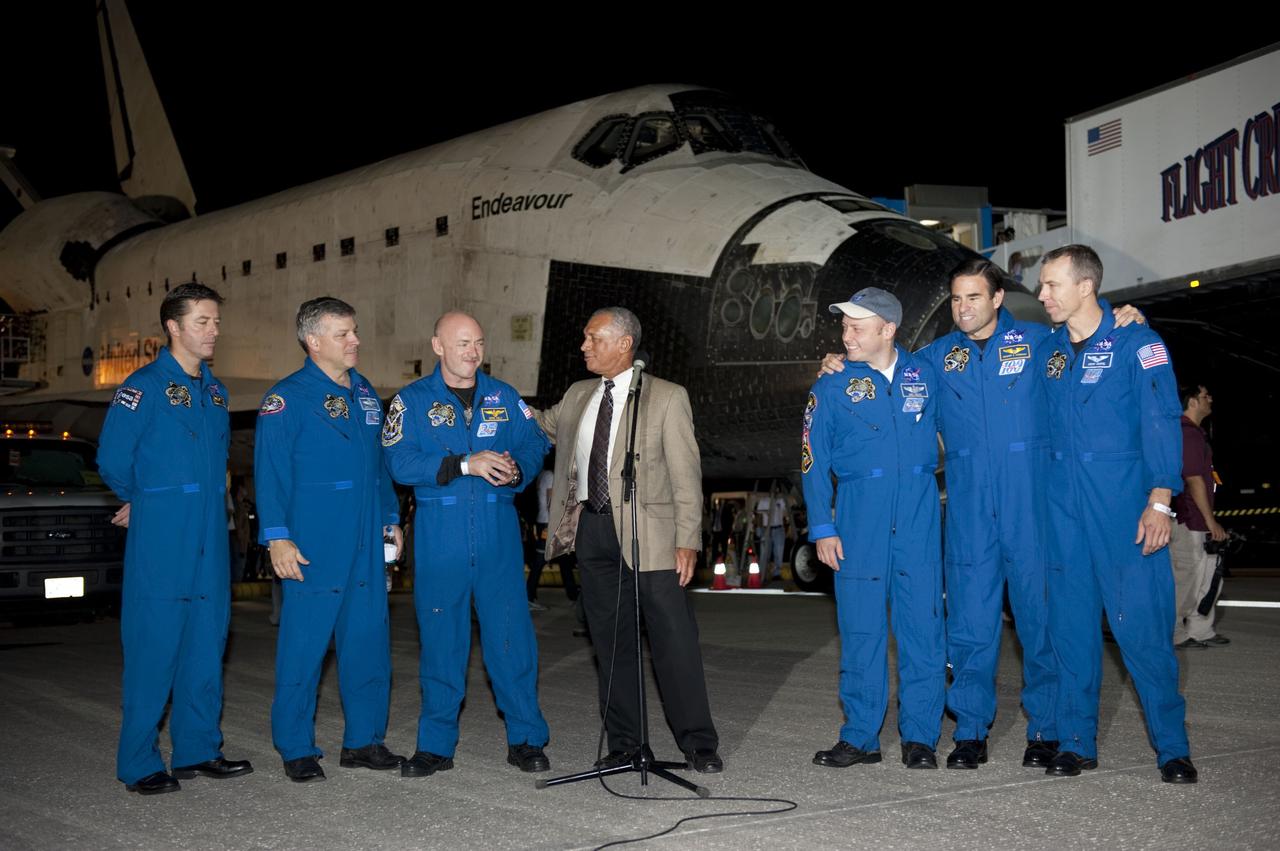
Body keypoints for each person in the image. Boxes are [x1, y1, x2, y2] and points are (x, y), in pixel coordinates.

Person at [817, 264, 1147, 770]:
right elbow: (884, 366)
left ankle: (1047, 728)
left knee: (1040, 620)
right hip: (970, 508)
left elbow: (1090, 344)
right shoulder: (932, 361)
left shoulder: (1041, 343)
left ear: (997, 298)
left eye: (973, 296)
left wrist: (1122, 318)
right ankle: (969, 730)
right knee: (970, 624)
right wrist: (839, 361)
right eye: (955, 298)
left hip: (1029, 503)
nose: (963, 307)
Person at [536, 307, 722, 773]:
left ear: (624, 344)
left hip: (654, 536)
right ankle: (625, 743)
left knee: (672, 641)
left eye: (593, 337)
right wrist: (488, 400)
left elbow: (686, 473)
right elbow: (538, 423)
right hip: (593, 529)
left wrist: (688, 539)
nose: (584, 346)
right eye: (584, 337)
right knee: (611, 643)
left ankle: (697, 742)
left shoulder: (665, 396)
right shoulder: (578, 394)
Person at [1037, 243, 1197, 783]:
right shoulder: (1048, 352)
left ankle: (1172, 748)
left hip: (1124, 510)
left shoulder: (1139, 343)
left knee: (1144, 632)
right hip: (1064, 515)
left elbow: (1161, 421)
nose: (1042, 295)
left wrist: (1160, 501)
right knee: (1071, 632)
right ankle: (1077, 742)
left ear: (1086, 286)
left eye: (1052, 284)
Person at [97, 282, 252, 795]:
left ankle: (198, 748)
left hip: (211, 533)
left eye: (216, 322)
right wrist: (145, 498)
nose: (213, 331)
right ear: (174, 327)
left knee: (207, 642)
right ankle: (139, 761)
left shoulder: (215, 391)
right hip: (163, 536)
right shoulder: (139, 388)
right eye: (203, 322)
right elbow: (113, 458)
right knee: (154, 646)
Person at [383, 311, 552, 777]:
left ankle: (526, 738)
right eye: (462, 344)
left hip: (498, 536)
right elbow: (399, 461)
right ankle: (435, 746)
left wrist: (518, 469)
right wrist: (462, 464)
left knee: (511, 641)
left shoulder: (504, 396)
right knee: (441, 643)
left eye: (478, 342)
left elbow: (535, 442)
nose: (472, 352)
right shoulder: (412, 401)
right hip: (441, 538)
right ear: (437, 345)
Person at [253, 297, 405, 783]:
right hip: (313, 544)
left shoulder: (364, 395)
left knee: (368, 645)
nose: (355, 340)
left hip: (364, 543)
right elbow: (270, 474)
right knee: (304, 648)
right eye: (343, 334)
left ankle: (364, 741)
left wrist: (390, 518)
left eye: (355, 331)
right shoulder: (286, 398)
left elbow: (378, 468)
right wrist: (277, 538)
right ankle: (295, 746)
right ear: (313, 341)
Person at [804, 287, 946, 770]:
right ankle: (861, 737)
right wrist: (823, 526)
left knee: (923, 630)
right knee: (861, 631)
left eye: (856, 327)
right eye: (843, 326)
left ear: (888, 329)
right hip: (859, 515)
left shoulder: (927, 374)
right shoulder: (830, 385)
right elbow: (812, 461)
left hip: (919, 513)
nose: (846, 336)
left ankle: (921, 738)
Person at [1171, 384, 1230, 649]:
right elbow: (1193, 480)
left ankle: (1200, 629)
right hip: (1190, 519)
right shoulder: (1186, 434)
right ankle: (1173, 633)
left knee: (1206, 575)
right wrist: (1210, 521)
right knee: (1187, 578)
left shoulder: (1195, 433)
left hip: (1197, 517)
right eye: (1206, 395)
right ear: (1192, 402)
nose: (1211, 399)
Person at [526, 453, 579, 609]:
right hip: (549, 523)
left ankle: (573, 594)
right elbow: (551, 501)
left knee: (562, 559)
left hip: (546, 522)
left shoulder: (543, 475)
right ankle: (528, 594)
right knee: (541, 560)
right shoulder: (550, 476)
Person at [753, 485, 787, 582]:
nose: (775, 491)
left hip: (778, 528)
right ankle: (762, 573)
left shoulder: (780, 501)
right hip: (766, 529)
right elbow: (759, 516)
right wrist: (759, 528)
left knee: (779, 552)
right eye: (774, 489)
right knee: (764, 553)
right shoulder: (764, 501)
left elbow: (784, 514)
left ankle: (777, 574)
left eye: (777, 489)